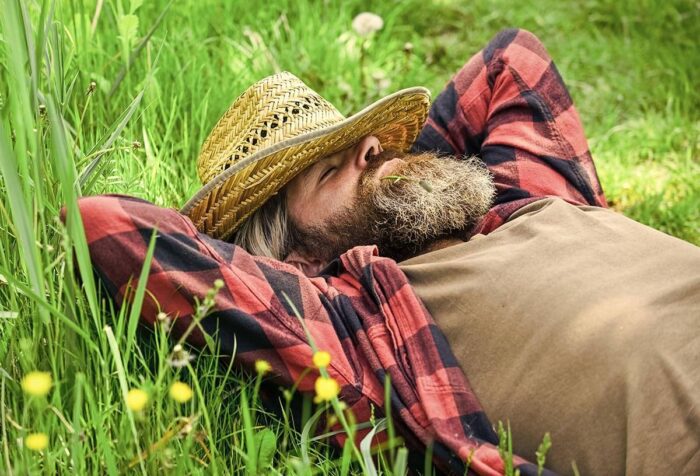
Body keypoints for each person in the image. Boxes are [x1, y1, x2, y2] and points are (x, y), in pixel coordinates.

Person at [72, 29, 700, 475]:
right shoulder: (360, 322)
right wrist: (268, 245)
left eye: (365, 142)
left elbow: (513, 60)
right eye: (327, 170)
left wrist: (398, 182)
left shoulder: (510, 200)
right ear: (294, 263)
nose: (374, 147)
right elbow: (105, 225)